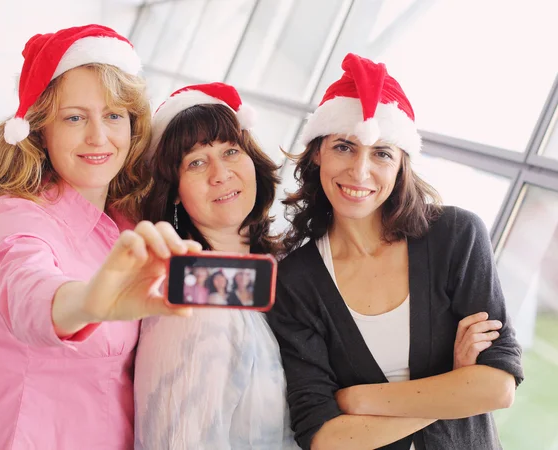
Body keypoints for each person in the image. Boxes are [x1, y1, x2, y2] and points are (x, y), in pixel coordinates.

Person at [267, 53, 524, 450]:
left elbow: (497, 386)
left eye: (382, 153)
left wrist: (358, 399)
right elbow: (326, 439)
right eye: (344, 147)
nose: (359, 171)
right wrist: (453, 387)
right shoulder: (294, 283)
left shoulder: (456, 238)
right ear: (317, 152)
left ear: (401, 164)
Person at [0, 24, 198, 450]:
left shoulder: (125, 221)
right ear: (39, 130)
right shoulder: (16, 215)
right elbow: (29, 291)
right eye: (74, 117)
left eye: (112, 116)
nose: (98, 137)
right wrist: (89, 301)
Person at [134, 82, 299, 449]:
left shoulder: (282, 269)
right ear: (174, 189)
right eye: (196, 162)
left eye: (230, 151)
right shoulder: (193, 299)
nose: (220, 173)